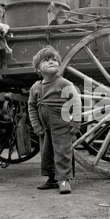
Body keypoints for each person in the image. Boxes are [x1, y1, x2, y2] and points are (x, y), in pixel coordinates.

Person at [28, 46, 82, 194]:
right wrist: (36, 126)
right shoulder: (35, 87)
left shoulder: (64, 84)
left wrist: (76, 122)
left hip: (62, 126)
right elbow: (31, 107)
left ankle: (64, 180)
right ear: (38, 69)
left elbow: (76, 103)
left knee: (62, 152)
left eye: (54, 60)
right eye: (46, 60)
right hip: (45, 128)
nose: (51, 62)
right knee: (47, 153)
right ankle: (51, 179)